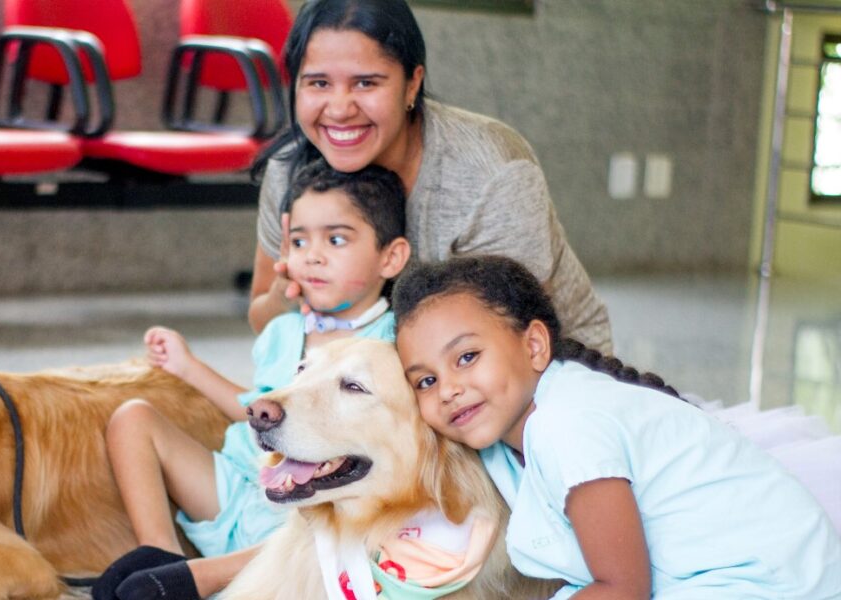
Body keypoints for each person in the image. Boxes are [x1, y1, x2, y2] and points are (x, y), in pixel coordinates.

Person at [392, 255, 841, 599]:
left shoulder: (566, 423)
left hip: (772, 580)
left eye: (467, 357)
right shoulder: (506, 437)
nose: (448, 389)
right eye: (426, 381)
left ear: (533, 346)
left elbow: (623, 588)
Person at [94, 161, 411, 600]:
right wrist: (189, 367)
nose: (312, 255)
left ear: (390, 257)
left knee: (320, 535)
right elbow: (258, 411)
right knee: (132, 418)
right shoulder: (283, 331)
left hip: (313, 509)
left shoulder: (393, 343)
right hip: (244, 484)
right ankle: (163, 558)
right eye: (299, 241)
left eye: (336, 240)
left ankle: (211, 577)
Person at [248, 0, 612, 356]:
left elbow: (508, 350)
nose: (340, 109)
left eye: (365, 83)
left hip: (538, 371)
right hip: (379, 374)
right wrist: (285, 301)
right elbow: (263, 320)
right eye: (318, 83)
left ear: (411, 85)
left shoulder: (490, 172)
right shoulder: (290, 169)